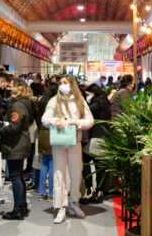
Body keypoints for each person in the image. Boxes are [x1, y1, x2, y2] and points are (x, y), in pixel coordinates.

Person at [42, 76, 94, 224]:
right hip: (58, 142)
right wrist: (55, 121)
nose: (62, 85)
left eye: (65, 83)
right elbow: (45, 119)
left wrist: (76, 123)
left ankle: (74, 202)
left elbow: (90, 120)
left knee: (76, 173)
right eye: (60, 83)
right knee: (59, 174)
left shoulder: (80, 101)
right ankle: (60, 206)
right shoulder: (54, 100)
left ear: (72, 84)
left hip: (74, 141)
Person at [0, 79, 32, 220]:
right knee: (18, 176)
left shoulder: (18, 106)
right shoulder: (24, 103)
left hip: (15, 144)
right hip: (19, 143)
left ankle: (18, 208)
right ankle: (21, 205)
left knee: (15, 176)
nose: (8, 88)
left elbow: (13, 127)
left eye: (11, 86)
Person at [82, 84, 111, 204]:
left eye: (88, 94)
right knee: (99, 165)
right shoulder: (104, 100)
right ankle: (99, 191)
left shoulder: (98, 101)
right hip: (104, 135)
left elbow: (88, 111)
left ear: (92, 93)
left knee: (85, 161)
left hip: (97, 136)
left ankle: (91, 190)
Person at [35, 82, 57, 202]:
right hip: (52, 133)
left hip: (42, 133)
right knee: (52, 164)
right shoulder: (54, 103)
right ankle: (52, 194)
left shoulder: (40, 102)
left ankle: (42, 192)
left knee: (44, 164)